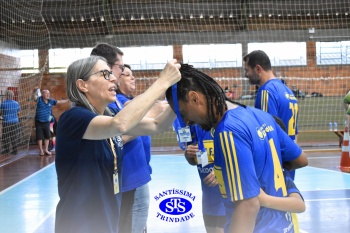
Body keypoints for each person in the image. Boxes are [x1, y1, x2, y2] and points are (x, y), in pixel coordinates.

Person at [165, 64, 308, 233]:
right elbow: (301, 159)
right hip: (285, 226)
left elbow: (248, 205)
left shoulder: (227, 131)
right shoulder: (261, 116)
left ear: (195, 98)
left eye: (182, 113)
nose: (186, 122)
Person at [54, 55, 181, 233]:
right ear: (83, 85)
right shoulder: (73, 118)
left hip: (108, 221)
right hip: (79, 223)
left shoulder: (110, 113)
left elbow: (157, 124)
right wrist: (162, 82)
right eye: (105, 74)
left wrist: (178, 98)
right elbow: (120, 124)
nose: (114, 77)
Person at [243, 50, 299, 180]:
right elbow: (295, 133)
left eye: (247, 70)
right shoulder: (287, 91)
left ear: (258, 69)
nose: (246, 75)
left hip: (274, 166)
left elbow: (266, 132)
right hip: (288, 162)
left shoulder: (266, 92)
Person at [173, 119, 226, 233]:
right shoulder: (189, 125)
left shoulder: (224, 122)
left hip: (229, 196)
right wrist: (188, 154)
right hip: (209, 197)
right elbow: (194, 161)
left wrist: (222, 171)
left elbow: (243, 157)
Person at [33, 89, 68, 156]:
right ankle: (41, 151)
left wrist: (67, 100)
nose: (48, 95)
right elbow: (34, 97)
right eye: (46, 93)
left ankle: (46, 150)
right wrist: (35, 91)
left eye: (48, 93)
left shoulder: (50, 101)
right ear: (42, 94)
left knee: (48, 136)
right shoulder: (39, 100)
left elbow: (59, 102)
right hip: (39, 122)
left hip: (47, 122)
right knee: (39, 137)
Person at [0, 90, 20, 155]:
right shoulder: (16, 103)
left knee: (6, 136)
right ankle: (15, 151)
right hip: (15, 122)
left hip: (6, 122)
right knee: (14, 136)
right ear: (13, 95)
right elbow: (18, 112)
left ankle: (6, 150)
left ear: (6, 95)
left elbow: (1, 113)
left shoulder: (3, 103)